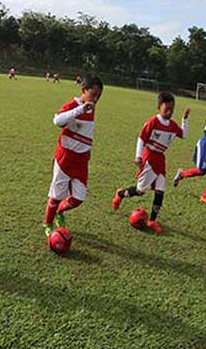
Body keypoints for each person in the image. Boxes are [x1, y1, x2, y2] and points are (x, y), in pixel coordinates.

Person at [112, 92, 190, 233]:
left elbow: (184, 134)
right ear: (159, 107)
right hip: (149, 157)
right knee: (141, 190)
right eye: (166, 109)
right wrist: (138, 156)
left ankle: (152, 220)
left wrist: (184, 120)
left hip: (160, 159)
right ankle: (120, 194)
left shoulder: (172, 125)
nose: (169, 112)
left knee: (161, 190)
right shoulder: (153, 122)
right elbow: (141, 138)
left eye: (172, 109)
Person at [44, 75, 104, 235]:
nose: (96, 98)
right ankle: (48, 224)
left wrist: (88, 148)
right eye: (94, 94)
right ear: (84, 90)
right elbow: (57, 121)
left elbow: (86, 130)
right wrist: (80, 109)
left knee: (79, 197)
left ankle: (60, 212)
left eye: (99, 96)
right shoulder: (75, 105)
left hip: (82, 160)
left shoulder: (91, 108)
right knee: (56, 195)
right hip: (66, 157)